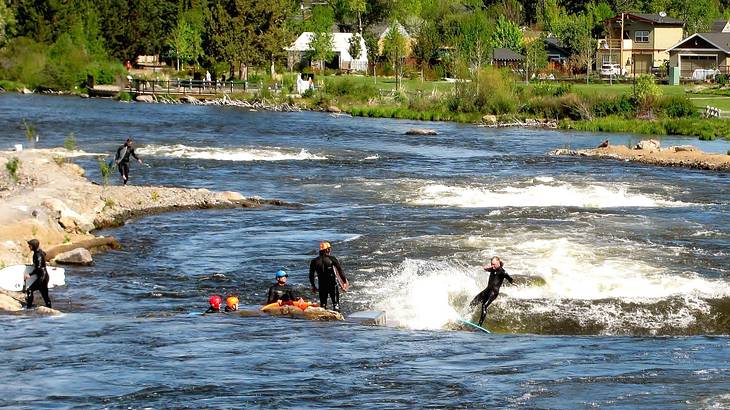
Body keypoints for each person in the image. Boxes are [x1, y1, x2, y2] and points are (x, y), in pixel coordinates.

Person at [470, 256, 514, 327]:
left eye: (494, 264)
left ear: (498, 263)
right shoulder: (493, 269)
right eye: (492, 264)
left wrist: (513, 283)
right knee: (473, 302)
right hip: (487, 290)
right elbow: (487, 269)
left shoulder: (502, 272)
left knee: (484, 306)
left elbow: (509, 278)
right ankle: (467, 317)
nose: (492, 266)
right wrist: (485, 268)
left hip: (493, 293)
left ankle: (479, 325)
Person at [309, 242, 348, 311]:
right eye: (329, 249)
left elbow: (311, 275)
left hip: (322, 285)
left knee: (323, 305)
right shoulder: (332, 259)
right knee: (336, 305)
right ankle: (337, 319)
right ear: (327, 250)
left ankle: (323, 320)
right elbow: (340, 271)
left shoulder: (314, 261)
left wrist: (313, 286)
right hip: (332, 284)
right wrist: (344, 282)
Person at [24, 239, 52, 309]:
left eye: (30, 245)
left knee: (29, 290)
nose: (28, 246)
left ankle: (28, 308)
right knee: (45, 295)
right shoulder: (40, 252)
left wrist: (29, 274)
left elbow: (39, 267)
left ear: (33, 246)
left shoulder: (37, 254)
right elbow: (44, 254)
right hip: (45, 276)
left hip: (42, 277)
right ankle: (50, 309)